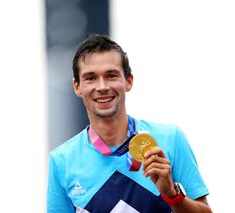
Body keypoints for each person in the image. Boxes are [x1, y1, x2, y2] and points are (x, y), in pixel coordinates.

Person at [47, 34, 212, 213]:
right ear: (77, 86)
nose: (102, 86)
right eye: (90, 77)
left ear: (129, 81)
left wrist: (172, 194)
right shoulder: (62, 160)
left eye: (111, 75)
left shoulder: (170, 139)